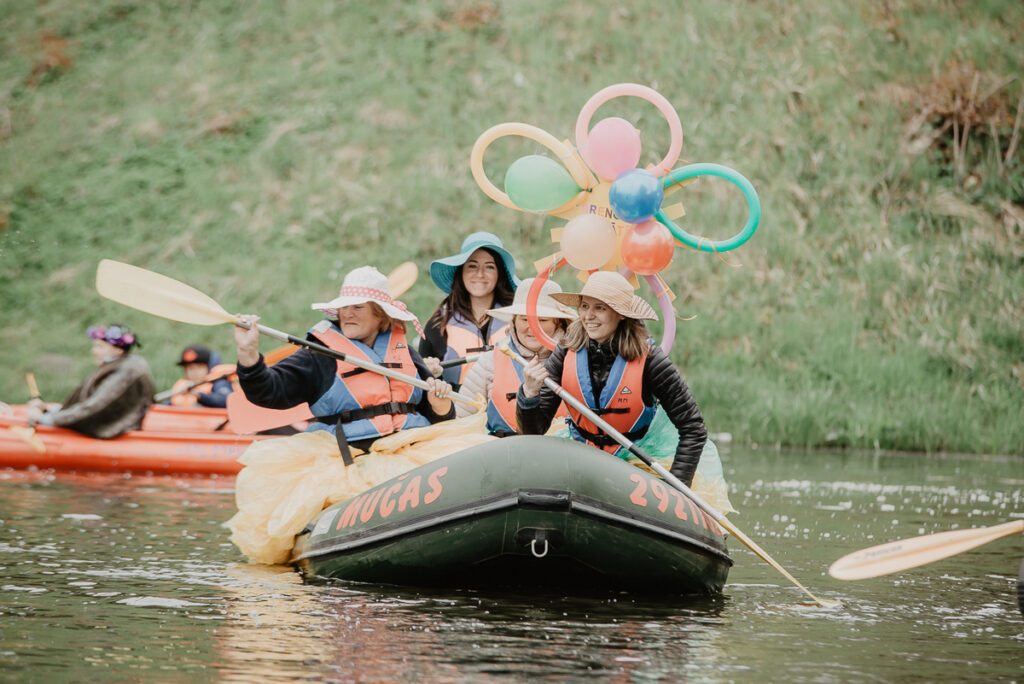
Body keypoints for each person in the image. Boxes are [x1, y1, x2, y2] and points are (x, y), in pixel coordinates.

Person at [232, 265, 455, 463]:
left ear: (381, 315)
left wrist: (440, 406)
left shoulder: (405, 353)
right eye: (344, 307)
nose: (348, 314)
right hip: (350, 460)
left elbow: (439, 417)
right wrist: (248, 352)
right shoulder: (319, 355)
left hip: (413, 451)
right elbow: (268, 390)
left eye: (358, 307)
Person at [516, 271, 707, 486]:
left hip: (635, 459)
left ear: (621, 313)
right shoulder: (565, 351)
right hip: (581, 451)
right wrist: (529, 395)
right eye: (585, 306)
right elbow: (534, 431)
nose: (588, 316)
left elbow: (693, 428)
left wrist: (676, 489)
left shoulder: (652, 360)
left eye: (600, 308)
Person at [455, 278, 575, 436]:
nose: (533, 327)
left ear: (558, 323)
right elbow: (460, 420)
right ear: (514, 321)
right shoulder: (489, 362)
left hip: (565, 453)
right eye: (525, 319)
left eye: (542, 320)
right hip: (500, 454)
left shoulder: (575, 361)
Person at [419, 231, 519, 390]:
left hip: (509, 405)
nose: (480, 274)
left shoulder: (518, 320)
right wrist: (429, 373)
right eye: (472, 266)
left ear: (499, 274)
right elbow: (420, 382)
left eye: (489, 267)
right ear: (461, 272)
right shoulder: (438, 325)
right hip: (460, 409)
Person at [25, 324, 156, 439]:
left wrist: (48, 419)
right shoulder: (119, 364)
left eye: (100, 347)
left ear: (118, 349)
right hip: (108, 422)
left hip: (113, 428)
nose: (94, 351)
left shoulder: (127, 371)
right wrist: (52, 410)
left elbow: (96, 405)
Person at [166, 344, 237, 408]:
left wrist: (197, 394)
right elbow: (166, 406)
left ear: (208, 367)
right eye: (190, 368)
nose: (194, 372)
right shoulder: (182, 386)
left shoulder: (219, 383)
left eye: (199, 367)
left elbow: (225, 401)